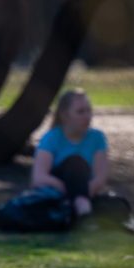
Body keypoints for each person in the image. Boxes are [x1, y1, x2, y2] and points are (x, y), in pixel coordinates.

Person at [31, 88, 110, 217]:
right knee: (74, 163)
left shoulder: (97, 138)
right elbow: (38, 178)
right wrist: (70, 191)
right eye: (80, 112)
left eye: (88, 111)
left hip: (87, 191)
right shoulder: (51, 138)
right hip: (57, 194)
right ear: (65, 115)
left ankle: (81, 206)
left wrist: (82, 193)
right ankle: (82, 208)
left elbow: (100, 178)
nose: (87, 116)